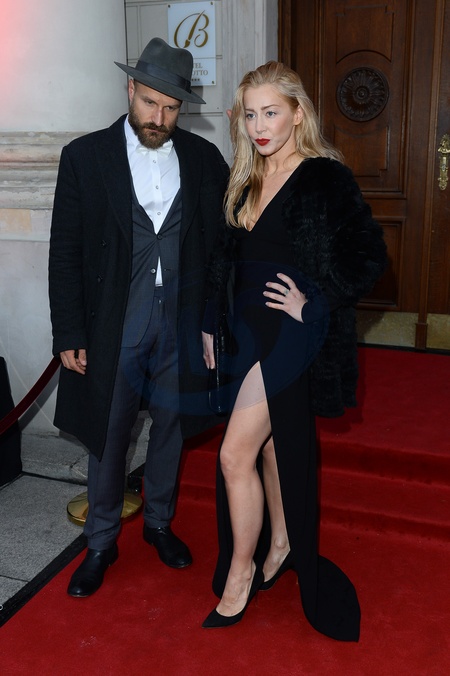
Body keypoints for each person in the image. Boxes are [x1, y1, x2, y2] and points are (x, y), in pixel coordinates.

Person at [201, 61, 387, 640]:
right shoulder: (245, 175)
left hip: (291, 339)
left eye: (271, 113)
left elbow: (370, 257)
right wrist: (209, 324)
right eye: (250, 115)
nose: (259, 126)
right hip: (245, 335)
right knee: (270, 449)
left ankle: (240, 575)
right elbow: (223, 260)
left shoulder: (324, 177)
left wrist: (314, 302)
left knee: (233, 455)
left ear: (297, 113)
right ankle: (279, 542)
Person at [48, 38, 229, 597]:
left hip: (180, 319)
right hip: (115, 321)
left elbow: (220, 248)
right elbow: (65, 250)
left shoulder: (203, 158)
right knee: (109, 432)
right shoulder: (85, 156)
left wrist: (211, 320)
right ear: (130, 89)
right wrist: (69, 330)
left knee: (171, 426)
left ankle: (159, 523)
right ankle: (100, 541)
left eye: (171, 108)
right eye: (150, 102)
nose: (159, 118)